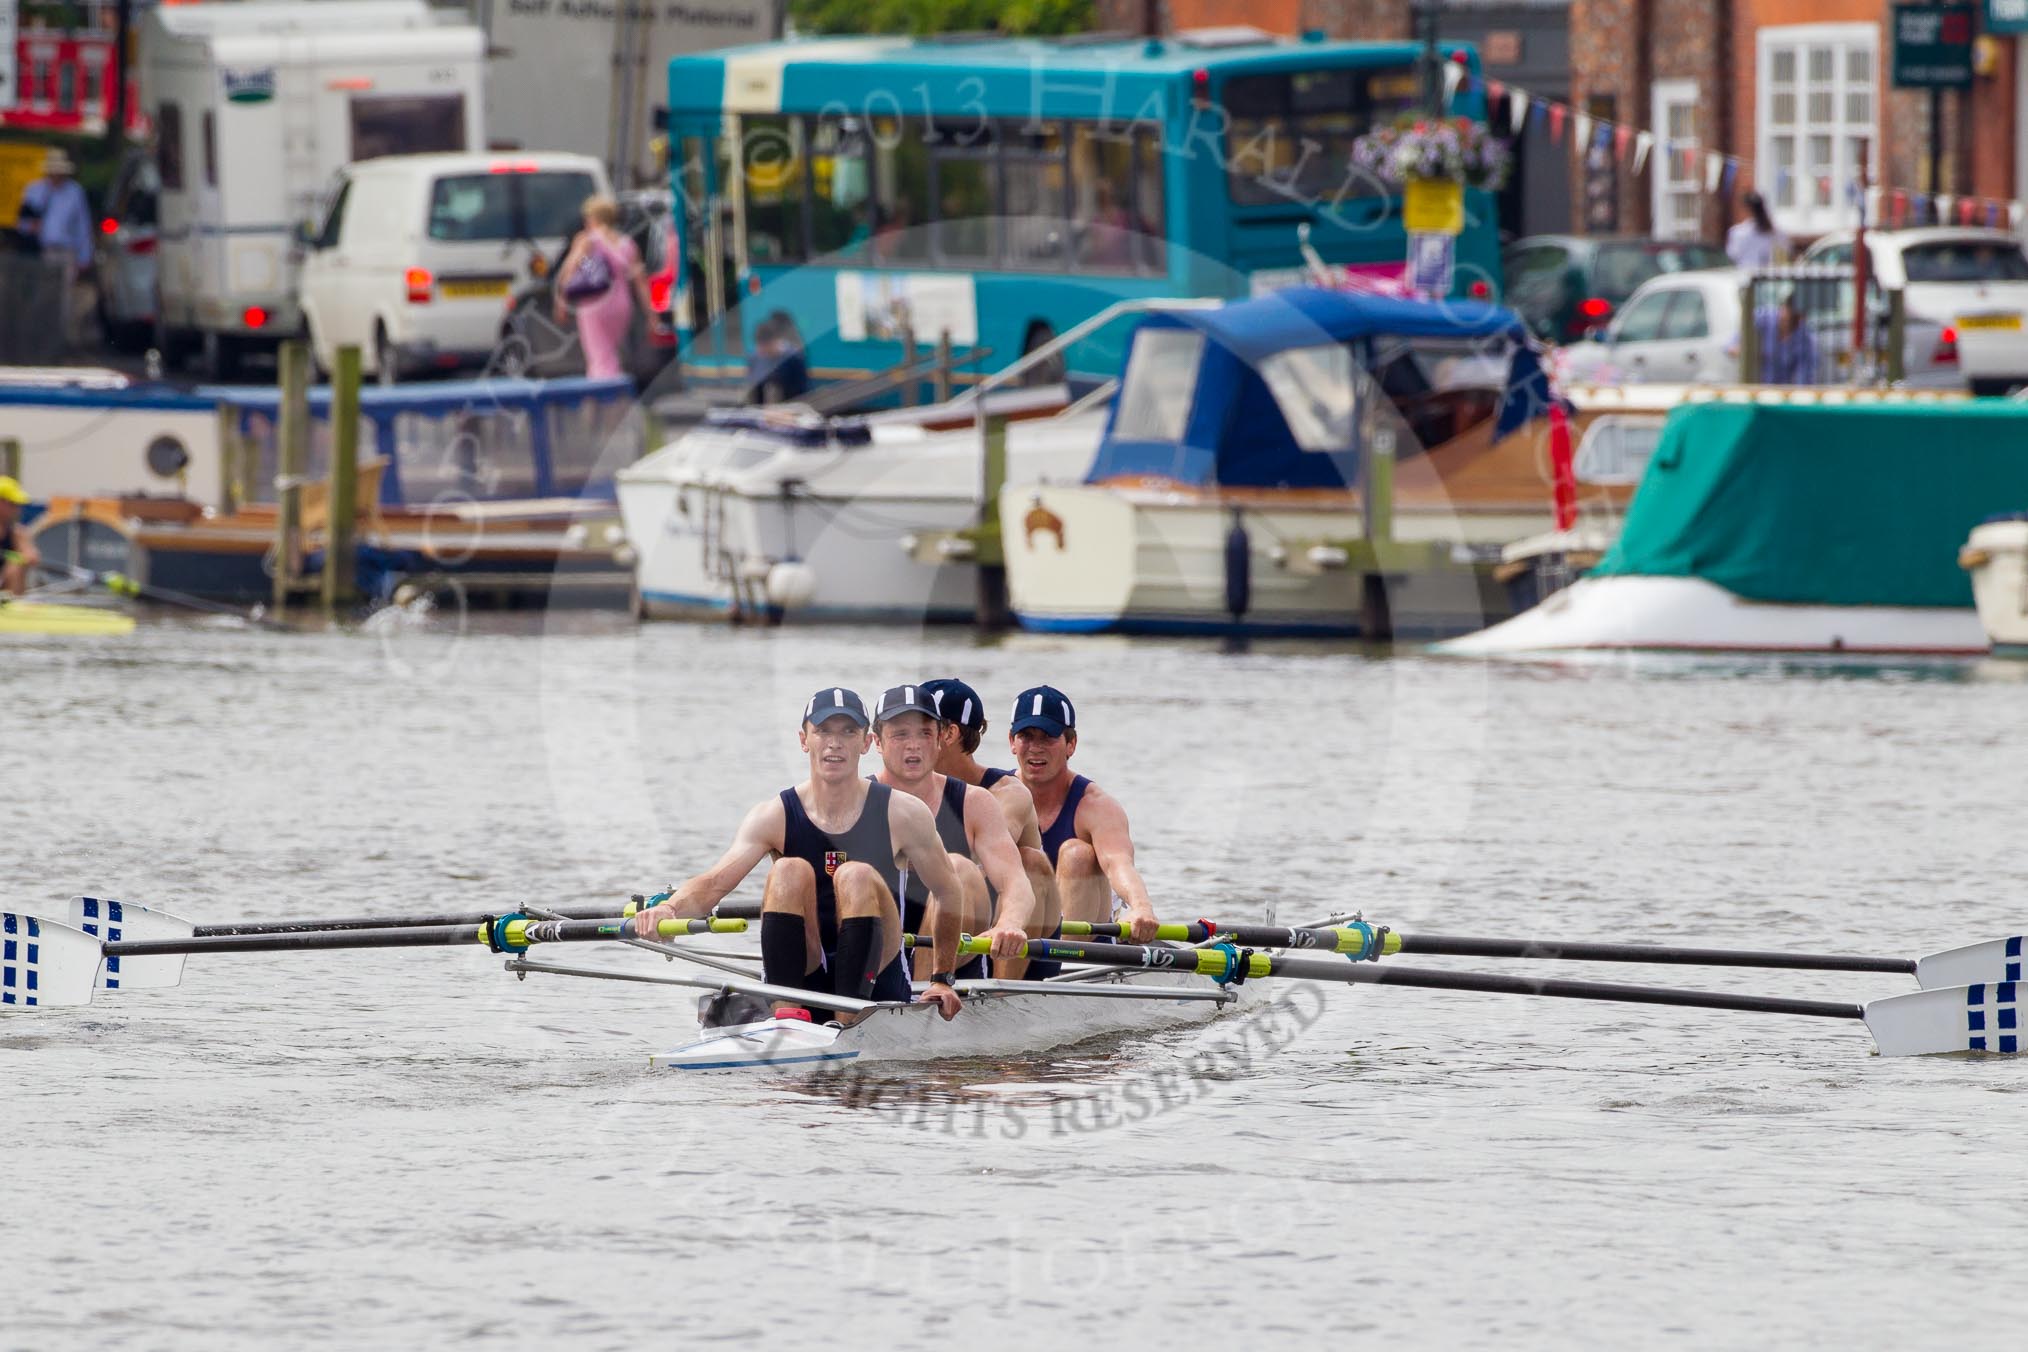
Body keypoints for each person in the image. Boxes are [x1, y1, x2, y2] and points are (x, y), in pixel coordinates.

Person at [628, 686, 1027, 1021]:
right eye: (823, 731)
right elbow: (714, 884)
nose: (834, 742)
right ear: (804, 739)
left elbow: (948, 890)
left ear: (866, 742)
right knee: (787, 871)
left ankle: (847, 1019)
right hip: (809, 965)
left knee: (855, 874)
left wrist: (942, 978)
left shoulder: (902, 813)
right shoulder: (774, 815)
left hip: (880, 975)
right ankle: (787, 1014)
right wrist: (671, 909)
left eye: (848, 731)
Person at [867, 683, 1040, 981]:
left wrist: (1009, 923)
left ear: (940, 739)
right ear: (878, 742)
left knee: (958, 868)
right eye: (900, 734)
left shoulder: (975, 802)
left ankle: (923, 993)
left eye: (924, 733)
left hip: (955, 951)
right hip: (881, 943)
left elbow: (1016, 883)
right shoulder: (855, 798)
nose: (913, 745)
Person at [920, 676, 1065, 979]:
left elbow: (979, 858)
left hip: (1011, 933)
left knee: (1028, 861)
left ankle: (1000, 991)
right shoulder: (903, 786)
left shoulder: (1006, 794)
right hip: (948, 922)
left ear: (949, 733)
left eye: (918, 726)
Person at [1009, 685, 1160, 944]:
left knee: (1076, 854)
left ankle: (1059, 971)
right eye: (1027, 736)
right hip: (1017, 930)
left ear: (1071, 744)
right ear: (1012, 742)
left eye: (1048, 737)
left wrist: (1141, 907)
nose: (1036, 748)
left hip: (1085, 944)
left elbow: (1118, 864)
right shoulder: (994, 795)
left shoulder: (1096, 806)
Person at [552, 195, 662, 382]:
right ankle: (612, 392)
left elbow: (570, 268)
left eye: (587, 217)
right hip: (621, 304)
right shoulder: (627, 244)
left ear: (593, 218)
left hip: (594, 304)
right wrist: (652, 316)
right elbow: (640, 282)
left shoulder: (588, 240)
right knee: (610, 353)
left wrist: (561, 300)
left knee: (598, 357)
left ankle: (605, 398)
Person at [18, 148, 94, 349]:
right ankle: (38, 335)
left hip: (66, 252)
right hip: (42, 251)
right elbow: (22, 222)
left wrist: (84, 256)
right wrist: (31, 227)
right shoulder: (34, 190)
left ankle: (60, 339)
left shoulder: (74, 192)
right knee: (42, 295)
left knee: (64, 298)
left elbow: (82, 226)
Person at [1755, 289, 1819, 385]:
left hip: (1783, 393)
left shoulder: (1804, 338)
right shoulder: (1761, 318)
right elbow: (1734, 346)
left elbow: (1804, 375)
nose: (1784, 317)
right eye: (1785, 309)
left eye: (1793, 316)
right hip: (1754, 390)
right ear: (1782, 307)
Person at [1726, 190, 1786, 270]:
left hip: (1746, 275)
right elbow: (1785, 252)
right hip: (1769, 277)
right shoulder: (1777, 233)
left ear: (1746, 209)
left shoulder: (1738, 233)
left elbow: (1733, 255)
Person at [0, 476, 40, 596]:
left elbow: (31, 555)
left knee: (16, 564)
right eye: (13, 504)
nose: (17, 509)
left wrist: (28, 556)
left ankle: (14, 602)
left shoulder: (17, 533)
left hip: (6, 589)